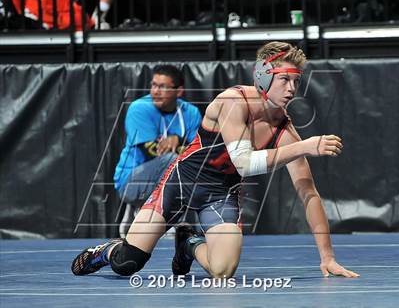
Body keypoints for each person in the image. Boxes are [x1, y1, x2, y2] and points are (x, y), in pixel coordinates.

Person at [71, 41, 359, 279]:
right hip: (181, 183)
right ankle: (107, 251)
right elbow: (244, 162)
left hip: (220, 195)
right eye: (284, 79)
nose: (291, 89)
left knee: (222, 271)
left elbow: (308, 193)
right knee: (128, 262)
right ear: (263, 77)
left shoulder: (285, 132)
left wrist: (328, 257)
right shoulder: (234, 102)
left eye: (296, 81)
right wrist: (305, 147)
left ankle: (189, 243)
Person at [114, 64, 201, 237]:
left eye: (162, 87)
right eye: (153, 85)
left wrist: (178, 139)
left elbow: (197, 153)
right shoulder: (139, 108)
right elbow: (153, 152)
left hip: (172, 178)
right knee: (171, 160)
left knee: (201, 165)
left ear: (178, 91)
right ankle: (157, 213)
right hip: (130, 183)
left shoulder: (190, 112)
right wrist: (183, 146)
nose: (155, 91)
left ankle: (173, 215)